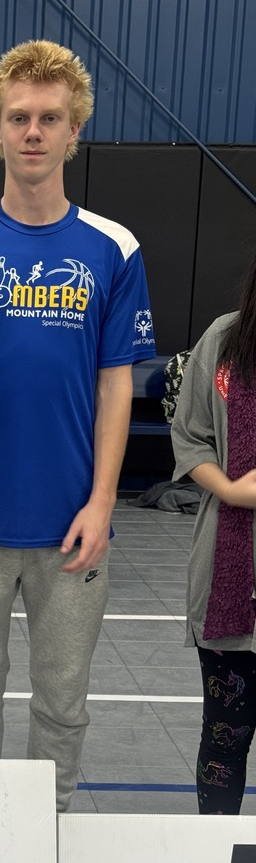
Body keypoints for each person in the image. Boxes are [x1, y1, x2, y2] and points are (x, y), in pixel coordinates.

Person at [0, 40, 155, 811]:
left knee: (63, 705)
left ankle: (48, 834)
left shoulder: (113, 248)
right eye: (18, 117)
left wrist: (102, 503)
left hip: (72, 531)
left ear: (74, 131)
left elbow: (117, 388)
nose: (33, 132)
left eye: (49, 119)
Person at [171, 249, 256, 814]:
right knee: (224, 737)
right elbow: (191, 435)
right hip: (231, 579)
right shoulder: (227, 341)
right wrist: (228, 489)